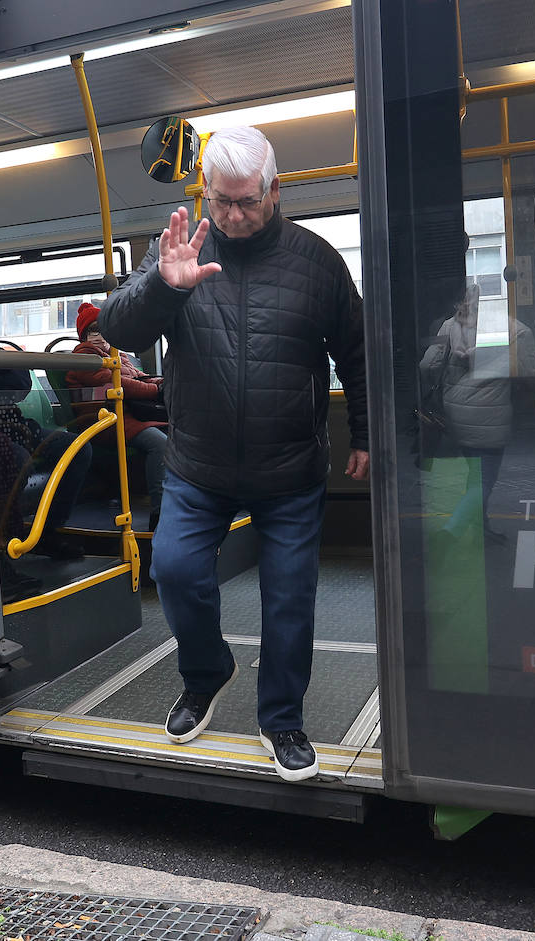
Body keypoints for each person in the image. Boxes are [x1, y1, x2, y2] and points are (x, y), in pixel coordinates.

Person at [97, 125, 368, 782]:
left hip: (289, 470)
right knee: (177, 571)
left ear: (275, 190)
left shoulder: (317, 260)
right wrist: (166, 286)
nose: (236, 215)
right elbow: (115, 326)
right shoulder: (181, 252)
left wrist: (364, 432)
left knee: (289, 600)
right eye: (224, 201)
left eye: (249, 201)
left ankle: (281, 718)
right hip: (199, 465)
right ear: (206, 192)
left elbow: (356, 351)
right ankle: (207, 671)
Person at [419, 281, 535, 545]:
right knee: (483, 481)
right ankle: (450, 533)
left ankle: (480, 530)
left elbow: (428, 365)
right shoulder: (515, 331)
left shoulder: (450, 325)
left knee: (474, 477)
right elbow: (531, 378)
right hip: (491, 418)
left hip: (453, 415)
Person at [0, 324, 92, 592]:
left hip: (13, 423)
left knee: (75, 447)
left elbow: (18, 384)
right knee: (16, 458)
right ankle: (0, 549)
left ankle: (47, 531)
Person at [66, 301, 170, 530]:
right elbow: (113, 381)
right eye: (92, 330)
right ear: (84, 335)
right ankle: (160, 514)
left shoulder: (117, 355)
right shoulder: (84, 357)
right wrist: (156, 390)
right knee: (160, 444)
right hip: (103, 420)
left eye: (102, 329)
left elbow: (138, 377)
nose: (99, 335)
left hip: (126, 415)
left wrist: (162, 382)